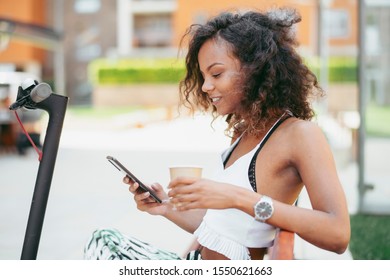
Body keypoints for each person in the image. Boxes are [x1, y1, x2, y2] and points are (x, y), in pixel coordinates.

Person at [84, 7, 350, 260]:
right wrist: (165, 206)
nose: (206, 86)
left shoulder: (301, 135)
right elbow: (224, 229)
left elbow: (338, 234)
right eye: (203, 76)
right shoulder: (242, 133)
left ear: (255, 69)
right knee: (104, 240)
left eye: (217, 73)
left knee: (102, 242)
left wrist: (235, 197)